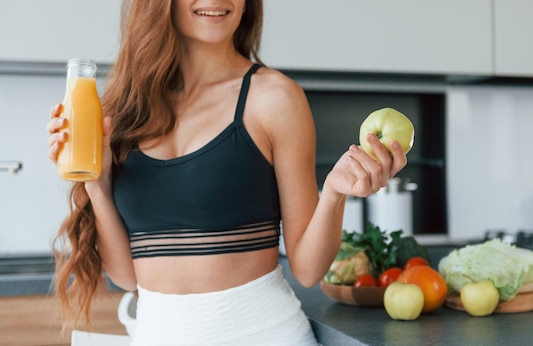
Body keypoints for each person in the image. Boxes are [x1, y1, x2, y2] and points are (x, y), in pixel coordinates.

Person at [46, 0, 407, 345]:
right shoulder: (126, 111)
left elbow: (309, 270)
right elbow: (126, 276)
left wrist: (333, 192)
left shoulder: (275, 98)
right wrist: (97, 181)